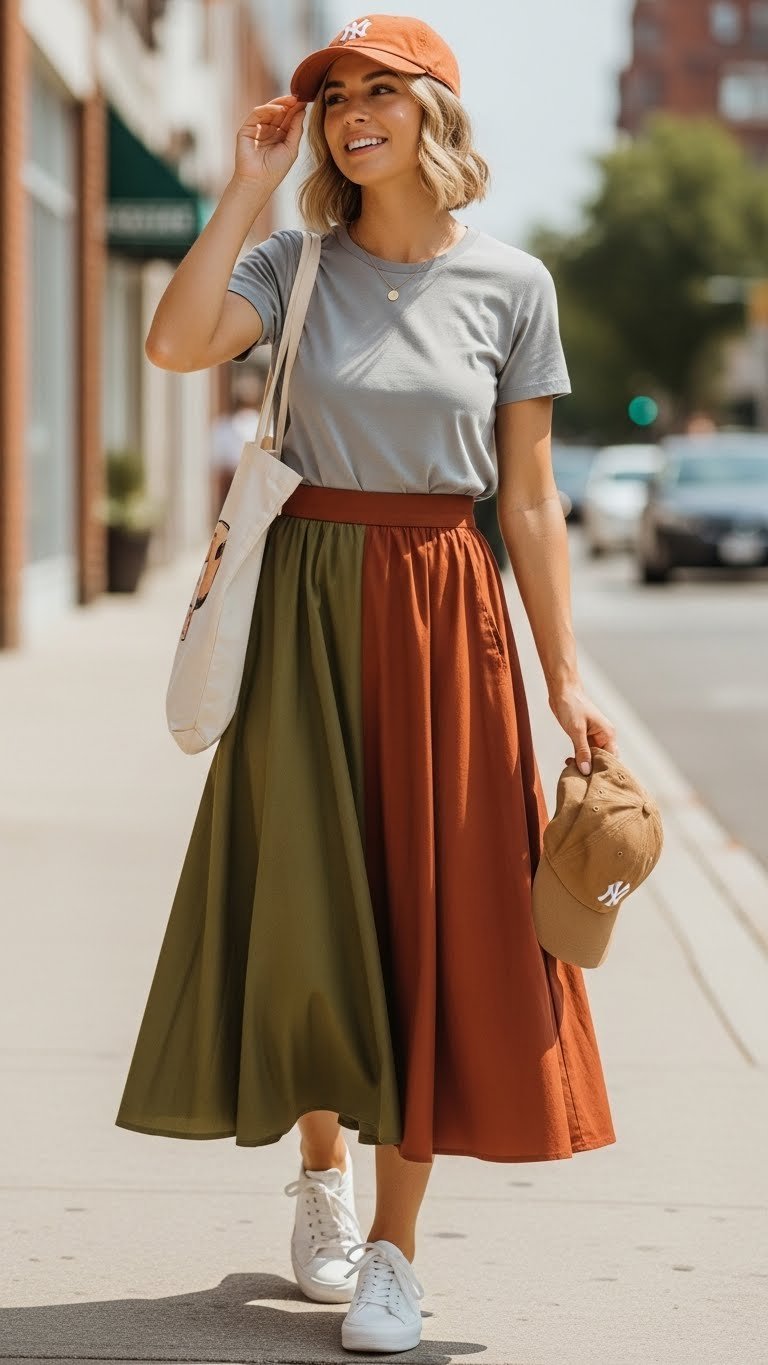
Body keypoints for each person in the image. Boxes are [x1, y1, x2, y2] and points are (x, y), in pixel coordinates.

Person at [116, 14, 618, 1355]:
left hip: (450, 616)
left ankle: (396, 1250)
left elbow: (528, 497)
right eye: (334, 95)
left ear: (433, 114)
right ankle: (323, 1179)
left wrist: (562, 679)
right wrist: (241, 190)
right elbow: (172, 345)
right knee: (314, 901)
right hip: (305, 610)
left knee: (434, 917)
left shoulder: (514, 284)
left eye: (378, 92)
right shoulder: (295, 261)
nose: (351, 113)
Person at [209, 373, 266, 517]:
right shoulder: (224, 426)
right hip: (241, 489)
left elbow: (216, 464)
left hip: (247, 489)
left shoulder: (223, 426)